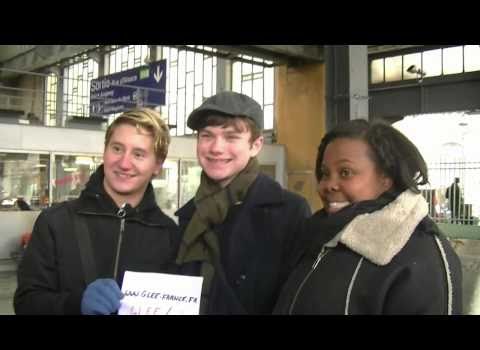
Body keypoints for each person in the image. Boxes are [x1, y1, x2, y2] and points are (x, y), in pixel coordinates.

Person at [274, 119, 462, 315]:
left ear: (386, 177)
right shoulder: (319, 236)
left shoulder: (422, 256)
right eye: (324, 173)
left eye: (345, 172)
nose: (327, 185)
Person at [14, 108, 179, 315]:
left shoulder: (168, 234)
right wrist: (75, 305)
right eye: (117, 149)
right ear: (105, 151)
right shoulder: (56, 222)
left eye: (138, 154)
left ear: (157, 165)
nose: (124, 163)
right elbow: (26, 303)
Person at [175, 91, 311, 314]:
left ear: (255, 145)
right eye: (207, 135)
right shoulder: (190, 215)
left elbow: (296, 301)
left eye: (231, 137)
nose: (216, 148)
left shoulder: (288, 212)